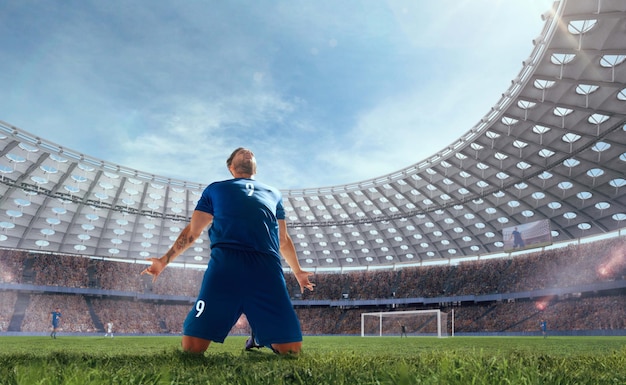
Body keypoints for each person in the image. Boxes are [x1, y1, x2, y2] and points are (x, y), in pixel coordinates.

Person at [141, 147, 315, 355]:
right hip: (225, 265)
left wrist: (297, 272)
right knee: (192, 348)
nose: (247, 152)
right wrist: (164, 260)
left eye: (250, 153)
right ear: (231, 167)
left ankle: (259, 335)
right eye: (240, 152)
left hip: (266, 267)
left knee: (292, 350)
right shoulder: (215, 189)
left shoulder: (273, 193)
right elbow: (193, 231)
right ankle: (257, 330)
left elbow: (283, 239)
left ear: (256, 168)